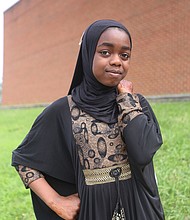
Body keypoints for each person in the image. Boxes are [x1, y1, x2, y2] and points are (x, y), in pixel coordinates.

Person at [12, 19, 165, 220]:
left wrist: (126, 99)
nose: (117, 61)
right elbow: (23, 161)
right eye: (105, 52)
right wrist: (56, 202)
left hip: (138, 206)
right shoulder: (62, 110)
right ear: (87, 54)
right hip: (93, 210)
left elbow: (143, 152)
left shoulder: (136, 104)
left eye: (125, 55)